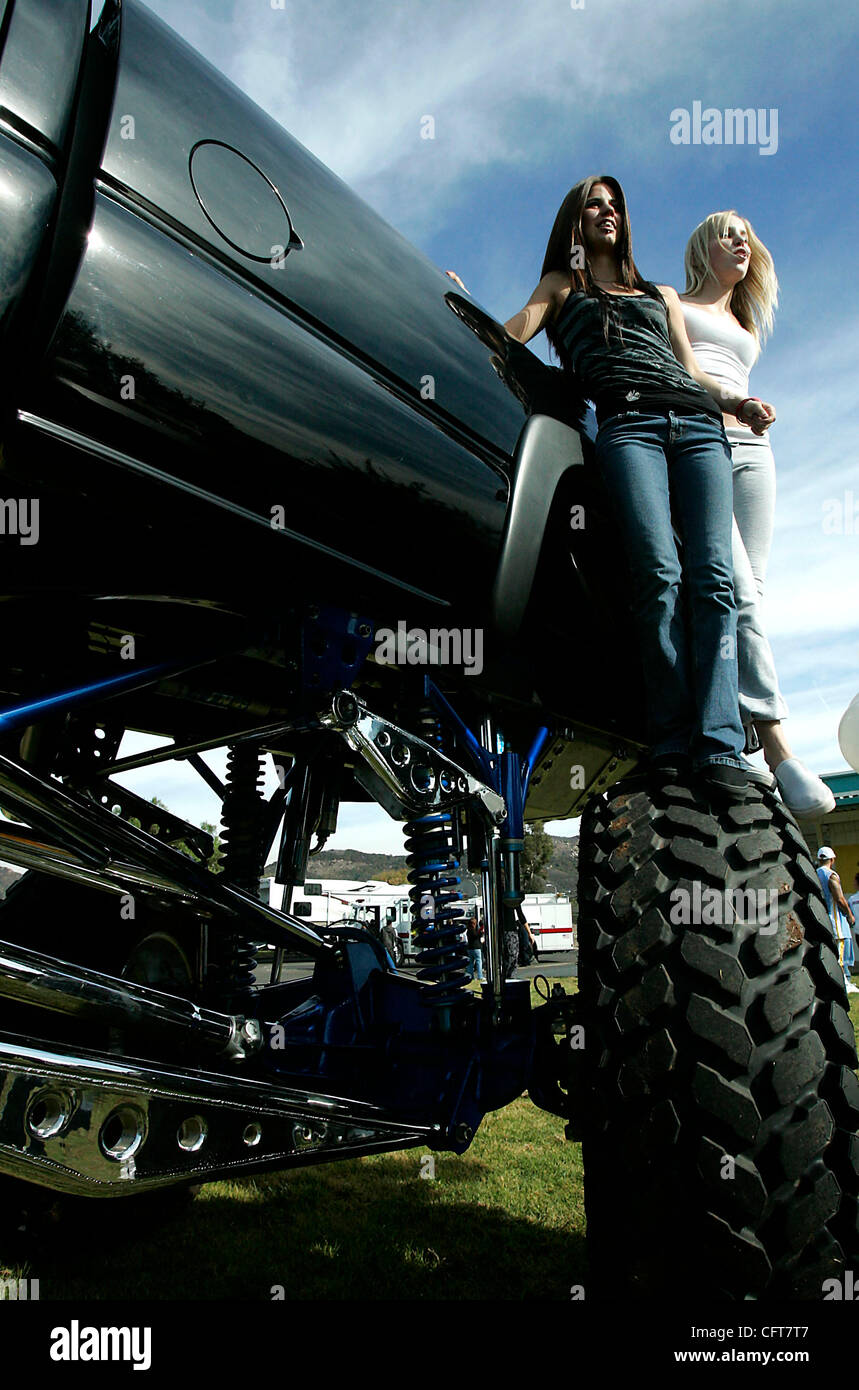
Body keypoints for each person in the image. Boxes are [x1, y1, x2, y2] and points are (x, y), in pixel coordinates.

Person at [503, 175, 774, 791]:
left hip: (700, 427)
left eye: (615, 205)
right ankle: (673, 738)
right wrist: (455, 294)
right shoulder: (561, 286)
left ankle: (722, 742)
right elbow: (510, 335)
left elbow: (693, 371)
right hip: (628, 427)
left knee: (715, 579)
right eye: (594, 204)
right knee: (659, 574)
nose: (607, 212)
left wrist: (738, 400)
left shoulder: (660, 294)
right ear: (575, 219)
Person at [679, 212, 834, 818]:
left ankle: (733, 726)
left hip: (755, 452)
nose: (740, 242)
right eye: (727, 234)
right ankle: (777, 746)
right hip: (702, 446)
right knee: (733, 588)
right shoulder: (672, 300)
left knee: (755, 596)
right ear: (702, 248)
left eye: (747, 235)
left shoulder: (743, 322)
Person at [816, 847, 857, 993]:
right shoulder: (831, 875)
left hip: (820, 919)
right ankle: (843, 984)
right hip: (836, 922)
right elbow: (839, 899)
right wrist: (849, 915)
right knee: (840, 956)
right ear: (832, 860)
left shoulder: (813, 874)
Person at [464, 910, 485, 982]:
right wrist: (481, 933)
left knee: (471, 963)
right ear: (474, 924)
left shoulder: (468, 931)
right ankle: (480, 976)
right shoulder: (473, 930)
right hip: (476, 947)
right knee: (479, 962)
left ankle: (471, 976)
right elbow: (476, 936)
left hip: (470, 948)